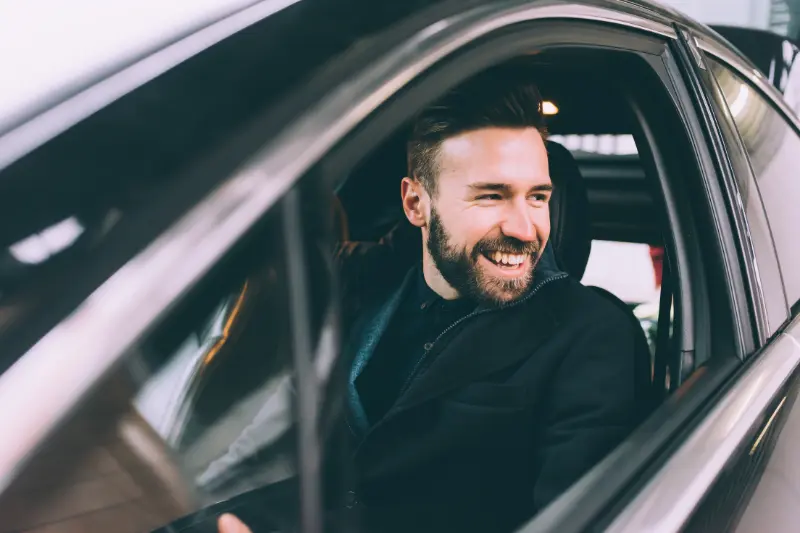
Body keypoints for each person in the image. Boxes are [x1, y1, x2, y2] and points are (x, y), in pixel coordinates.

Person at [214, 69, 642, 533]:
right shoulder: (360, 290)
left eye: (537, 197)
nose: (524, 228)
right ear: (416, 203)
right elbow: (260, 448)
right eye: (492, 196)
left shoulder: (591, 336)